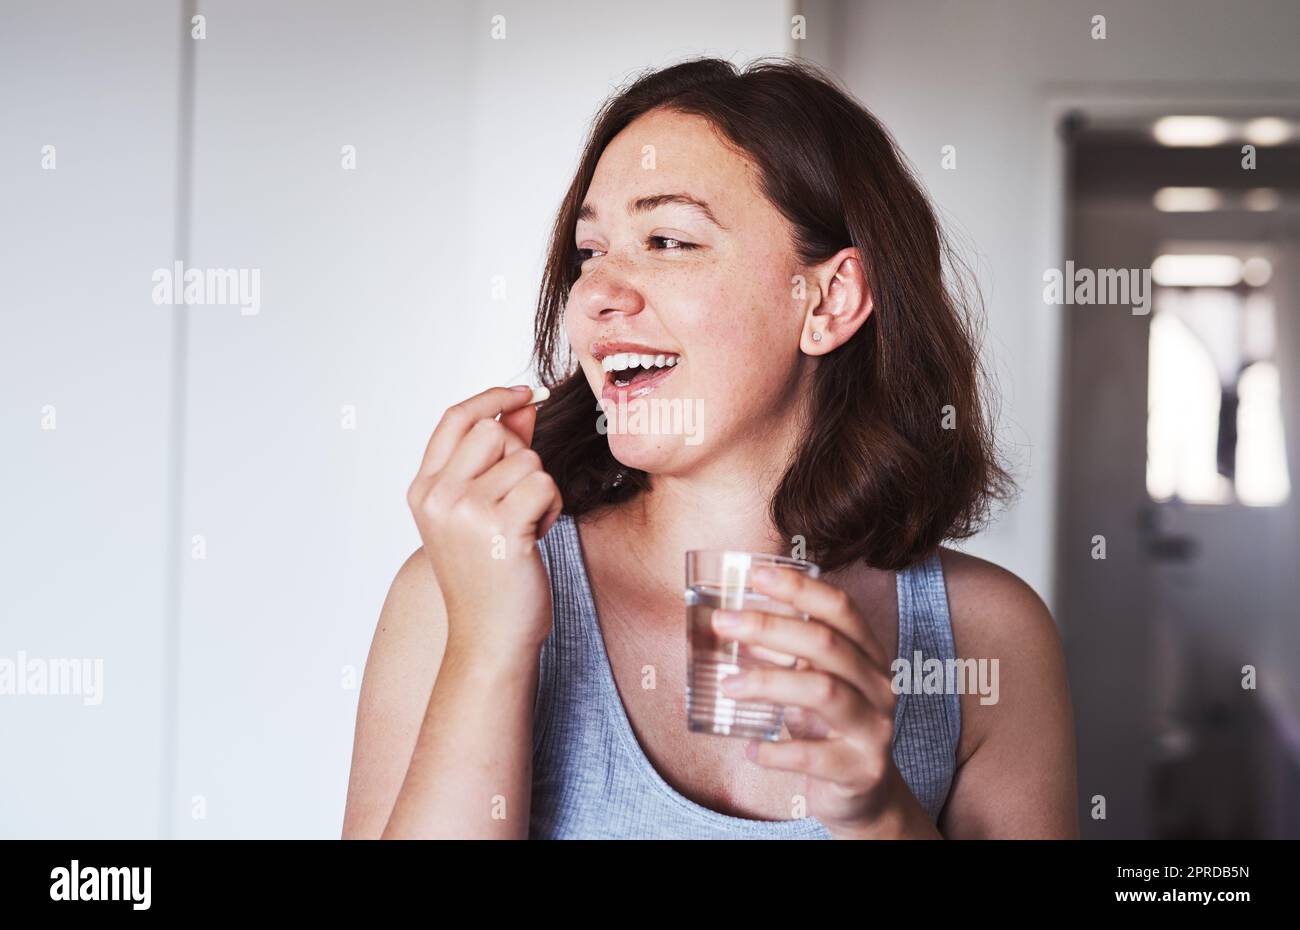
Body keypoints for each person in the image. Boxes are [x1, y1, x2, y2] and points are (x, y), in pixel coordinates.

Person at [342, 57, 1078, 839]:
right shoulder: (454, 595)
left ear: (829, 301)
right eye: (590, 252)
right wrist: (489, 647)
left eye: (667, 240)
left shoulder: (987, 639)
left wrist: (875, 813)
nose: (595, 292)